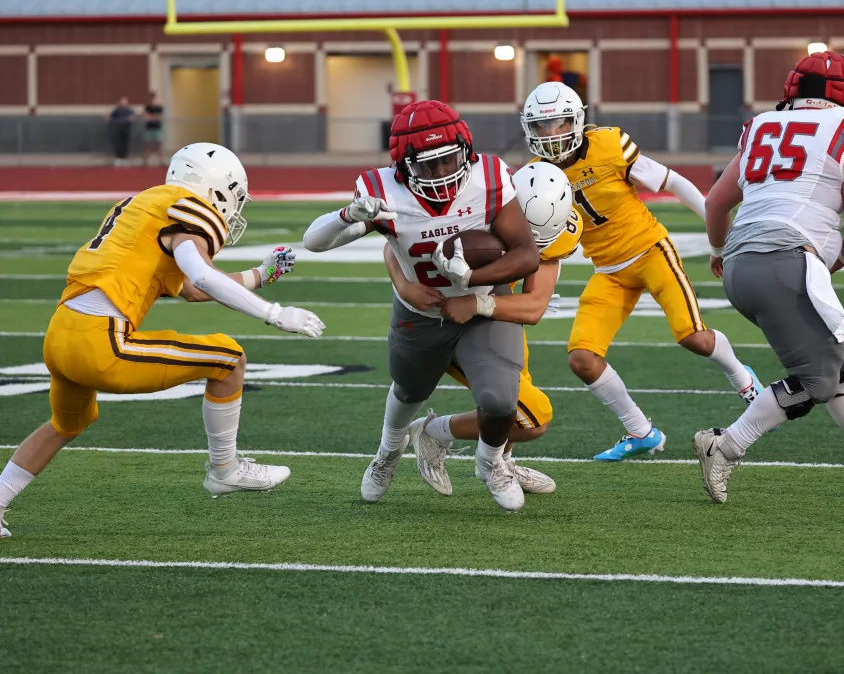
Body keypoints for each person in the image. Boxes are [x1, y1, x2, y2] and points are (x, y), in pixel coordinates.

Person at [0, 143, 326, 539]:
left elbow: (192, 287)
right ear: (217, 187)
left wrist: (261, 274)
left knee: (67, 423)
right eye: (235, 196)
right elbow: (202, 275)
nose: (234, 208)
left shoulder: (143, 204)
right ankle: (225, 469)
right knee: (229, 358)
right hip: (100, 342)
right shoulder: (189, 207)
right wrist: (275, 313)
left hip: (60, 335)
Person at [692, 51, 844, 504]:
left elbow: (715, 203)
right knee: (815, 382)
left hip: (742, 263)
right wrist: (834, 262)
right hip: (785, 259)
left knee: (836, 358)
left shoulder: (762, 124)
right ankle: (724, 446)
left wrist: (718, 251)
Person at [303, 100, 540, 512]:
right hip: (420, 312)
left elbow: (526, 254)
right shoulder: (382, 192)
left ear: (465, 151)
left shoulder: (488, 178)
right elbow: (314, 243)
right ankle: (388, 453)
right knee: (409, 389)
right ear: (402, 165)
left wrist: (472, 283)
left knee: (501, 400)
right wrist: (348, 215)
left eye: (449, 160)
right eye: (428, 165)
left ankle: (491, 464)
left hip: (482, 304)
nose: (442, 172)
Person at [520, 81, 765, 462]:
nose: (551, 134)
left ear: (577, 120)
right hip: (608, 271)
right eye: (541, 126)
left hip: (650, 251)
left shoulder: (609, 144)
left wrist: (719, 236)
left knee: (694, 337)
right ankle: (641, 431)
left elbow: (674, 182)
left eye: (559, 123)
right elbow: (540, 239)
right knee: (582, 358)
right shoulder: (535, 175)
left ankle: (744, 380)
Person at [385, 162, 581, 497]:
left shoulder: (558, 226)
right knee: (534, 418)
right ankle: (433, 432)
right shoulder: (478, 210)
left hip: (493, 311)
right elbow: (393, 243)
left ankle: (500, 461)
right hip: (448, 322)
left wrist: (478, 304)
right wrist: (405, 287)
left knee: (515, 391)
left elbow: (534, 306)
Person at [108, 96, 134, 166]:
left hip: (126, 129)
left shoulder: (129, 110)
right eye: (123, 101)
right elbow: (111, 117)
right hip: (118, 130)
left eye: (125, 101)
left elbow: (132, 117)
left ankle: (125, 158)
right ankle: (118, 158)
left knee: (125, 144)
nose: (124, 102)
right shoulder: (117, 110)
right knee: (118, 144)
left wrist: (131, 119)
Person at [143, 92, 164, 166]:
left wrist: (152, 117)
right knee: (147, 144)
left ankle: (160, 160)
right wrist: (154, 117)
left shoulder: (159, 107)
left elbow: (159, 117)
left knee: (159, 144)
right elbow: (146, 117)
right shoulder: (147, 107)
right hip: (149, 128)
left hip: (157, 128)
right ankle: (147, 160)